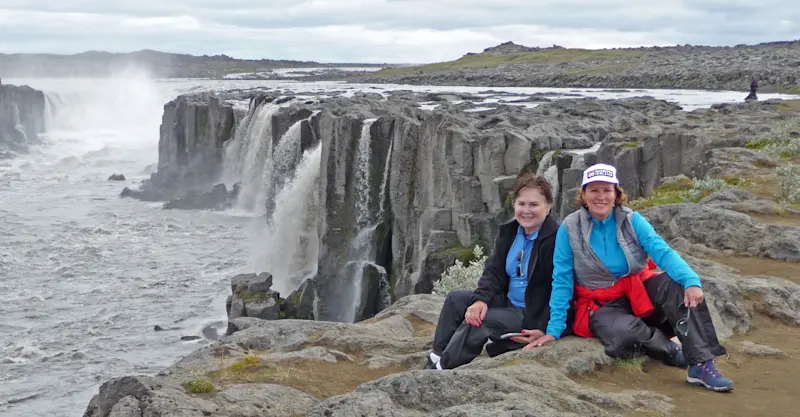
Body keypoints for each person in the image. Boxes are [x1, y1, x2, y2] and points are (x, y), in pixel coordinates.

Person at [532, 163, 734, 392]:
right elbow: (562, 279)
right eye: (594, 190)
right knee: (620, 336)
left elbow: (662, 252)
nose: (601, 196)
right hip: (603, 304)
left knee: (677, 286)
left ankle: (702, 364)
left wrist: (691, 281)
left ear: (616, 194)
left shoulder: (632, 220)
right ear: (584, 195)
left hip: (638, 290)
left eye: (607, 190)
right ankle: (669, 348)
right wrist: (554, 330)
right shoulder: (569, 227)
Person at [426, 172, 563, 370]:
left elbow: (561, 289)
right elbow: (494, 272)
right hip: (507, 301)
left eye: (534, 205)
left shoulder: (557, 239)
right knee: (455, 300)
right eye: (521, 203)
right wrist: (480, 299)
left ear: (548, 207)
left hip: (530, 313)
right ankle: (437, 354)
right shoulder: (510, 232)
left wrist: (545, 329)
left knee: (480, 322)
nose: (526, 210)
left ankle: (442, 369)